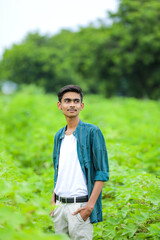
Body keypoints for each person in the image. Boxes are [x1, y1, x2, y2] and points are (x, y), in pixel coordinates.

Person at [51, 85, 109, 240]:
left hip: (80, 206)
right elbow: (59, 171)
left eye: (76, 101)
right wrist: (53, 202)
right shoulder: (59, 135)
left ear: (81, 106)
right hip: (59, 207)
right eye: (67, 101)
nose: (72, 105)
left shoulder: (92, 132)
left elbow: (102, 172)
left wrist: (89, 207)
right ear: (60, 105)